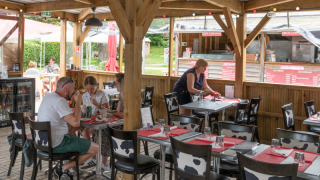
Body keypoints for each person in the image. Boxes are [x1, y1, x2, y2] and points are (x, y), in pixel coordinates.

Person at [37, 77, 99, 178]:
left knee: (72, 134)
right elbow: (76, 123)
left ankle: (69, 170)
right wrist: (78, 101)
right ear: (66, 90)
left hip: (42, 142)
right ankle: (64, 168)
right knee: (96, 148)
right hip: (57, 144)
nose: (74, 92)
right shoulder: (60, 101)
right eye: (73, 89)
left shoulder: (49, 96)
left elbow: (70, 121)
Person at [81, 76, 111, 172]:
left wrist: (98, 105)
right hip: (91, 121)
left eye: (92, 88)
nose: (89, 91)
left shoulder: (102, 94)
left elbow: (108, 111)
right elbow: (86, 110)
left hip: (103, 121)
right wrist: (83, 110)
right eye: (87, 88)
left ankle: (104, 163)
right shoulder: (84, 96)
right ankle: (93, 158)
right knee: (84, 133)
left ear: (96, 86)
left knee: (101, 135)